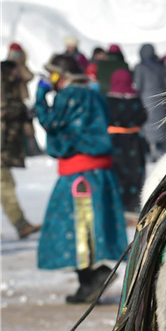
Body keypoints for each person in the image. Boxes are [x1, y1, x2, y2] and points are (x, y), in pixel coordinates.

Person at [34, 54, 127, 304]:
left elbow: (51, 123)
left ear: (62, 76)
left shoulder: (69, 95)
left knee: (74, 227)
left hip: (79, 173)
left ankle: (93, 278)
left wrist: (40, 97)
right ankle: (89, 282)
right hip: (98, 171)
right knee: (85, 227)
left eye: (52, 75)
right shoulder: (94, 93)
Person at [1, 59, 41, 238]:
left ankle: (21, 224)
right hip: (2, 146)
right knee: (6, 185)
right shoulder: (3, 86)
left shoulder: (9, 85)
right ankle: (21, 225)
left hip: (5, 145)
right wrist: (21, 109)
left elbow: (28, 76)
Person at [105, 68, 147, 215]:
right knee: (135, 173)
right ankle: (133, 205)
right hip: (134, 141)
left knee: (117, 172)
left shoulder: (108, 100)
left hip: (115, 141)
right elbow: (143, 116)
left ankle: (118, 204)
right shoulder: (135, 98)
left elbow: (104, 118)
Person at [133, 43, 166, 160]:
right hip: (159, 99)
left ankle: (150, 150)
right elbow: (164, 84)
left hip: (145, 100)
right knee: (159, 124)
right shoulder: (160, 66)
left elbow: (138, 85)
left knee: (147, 124)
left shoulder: (140, 67)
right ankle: (160, 149)